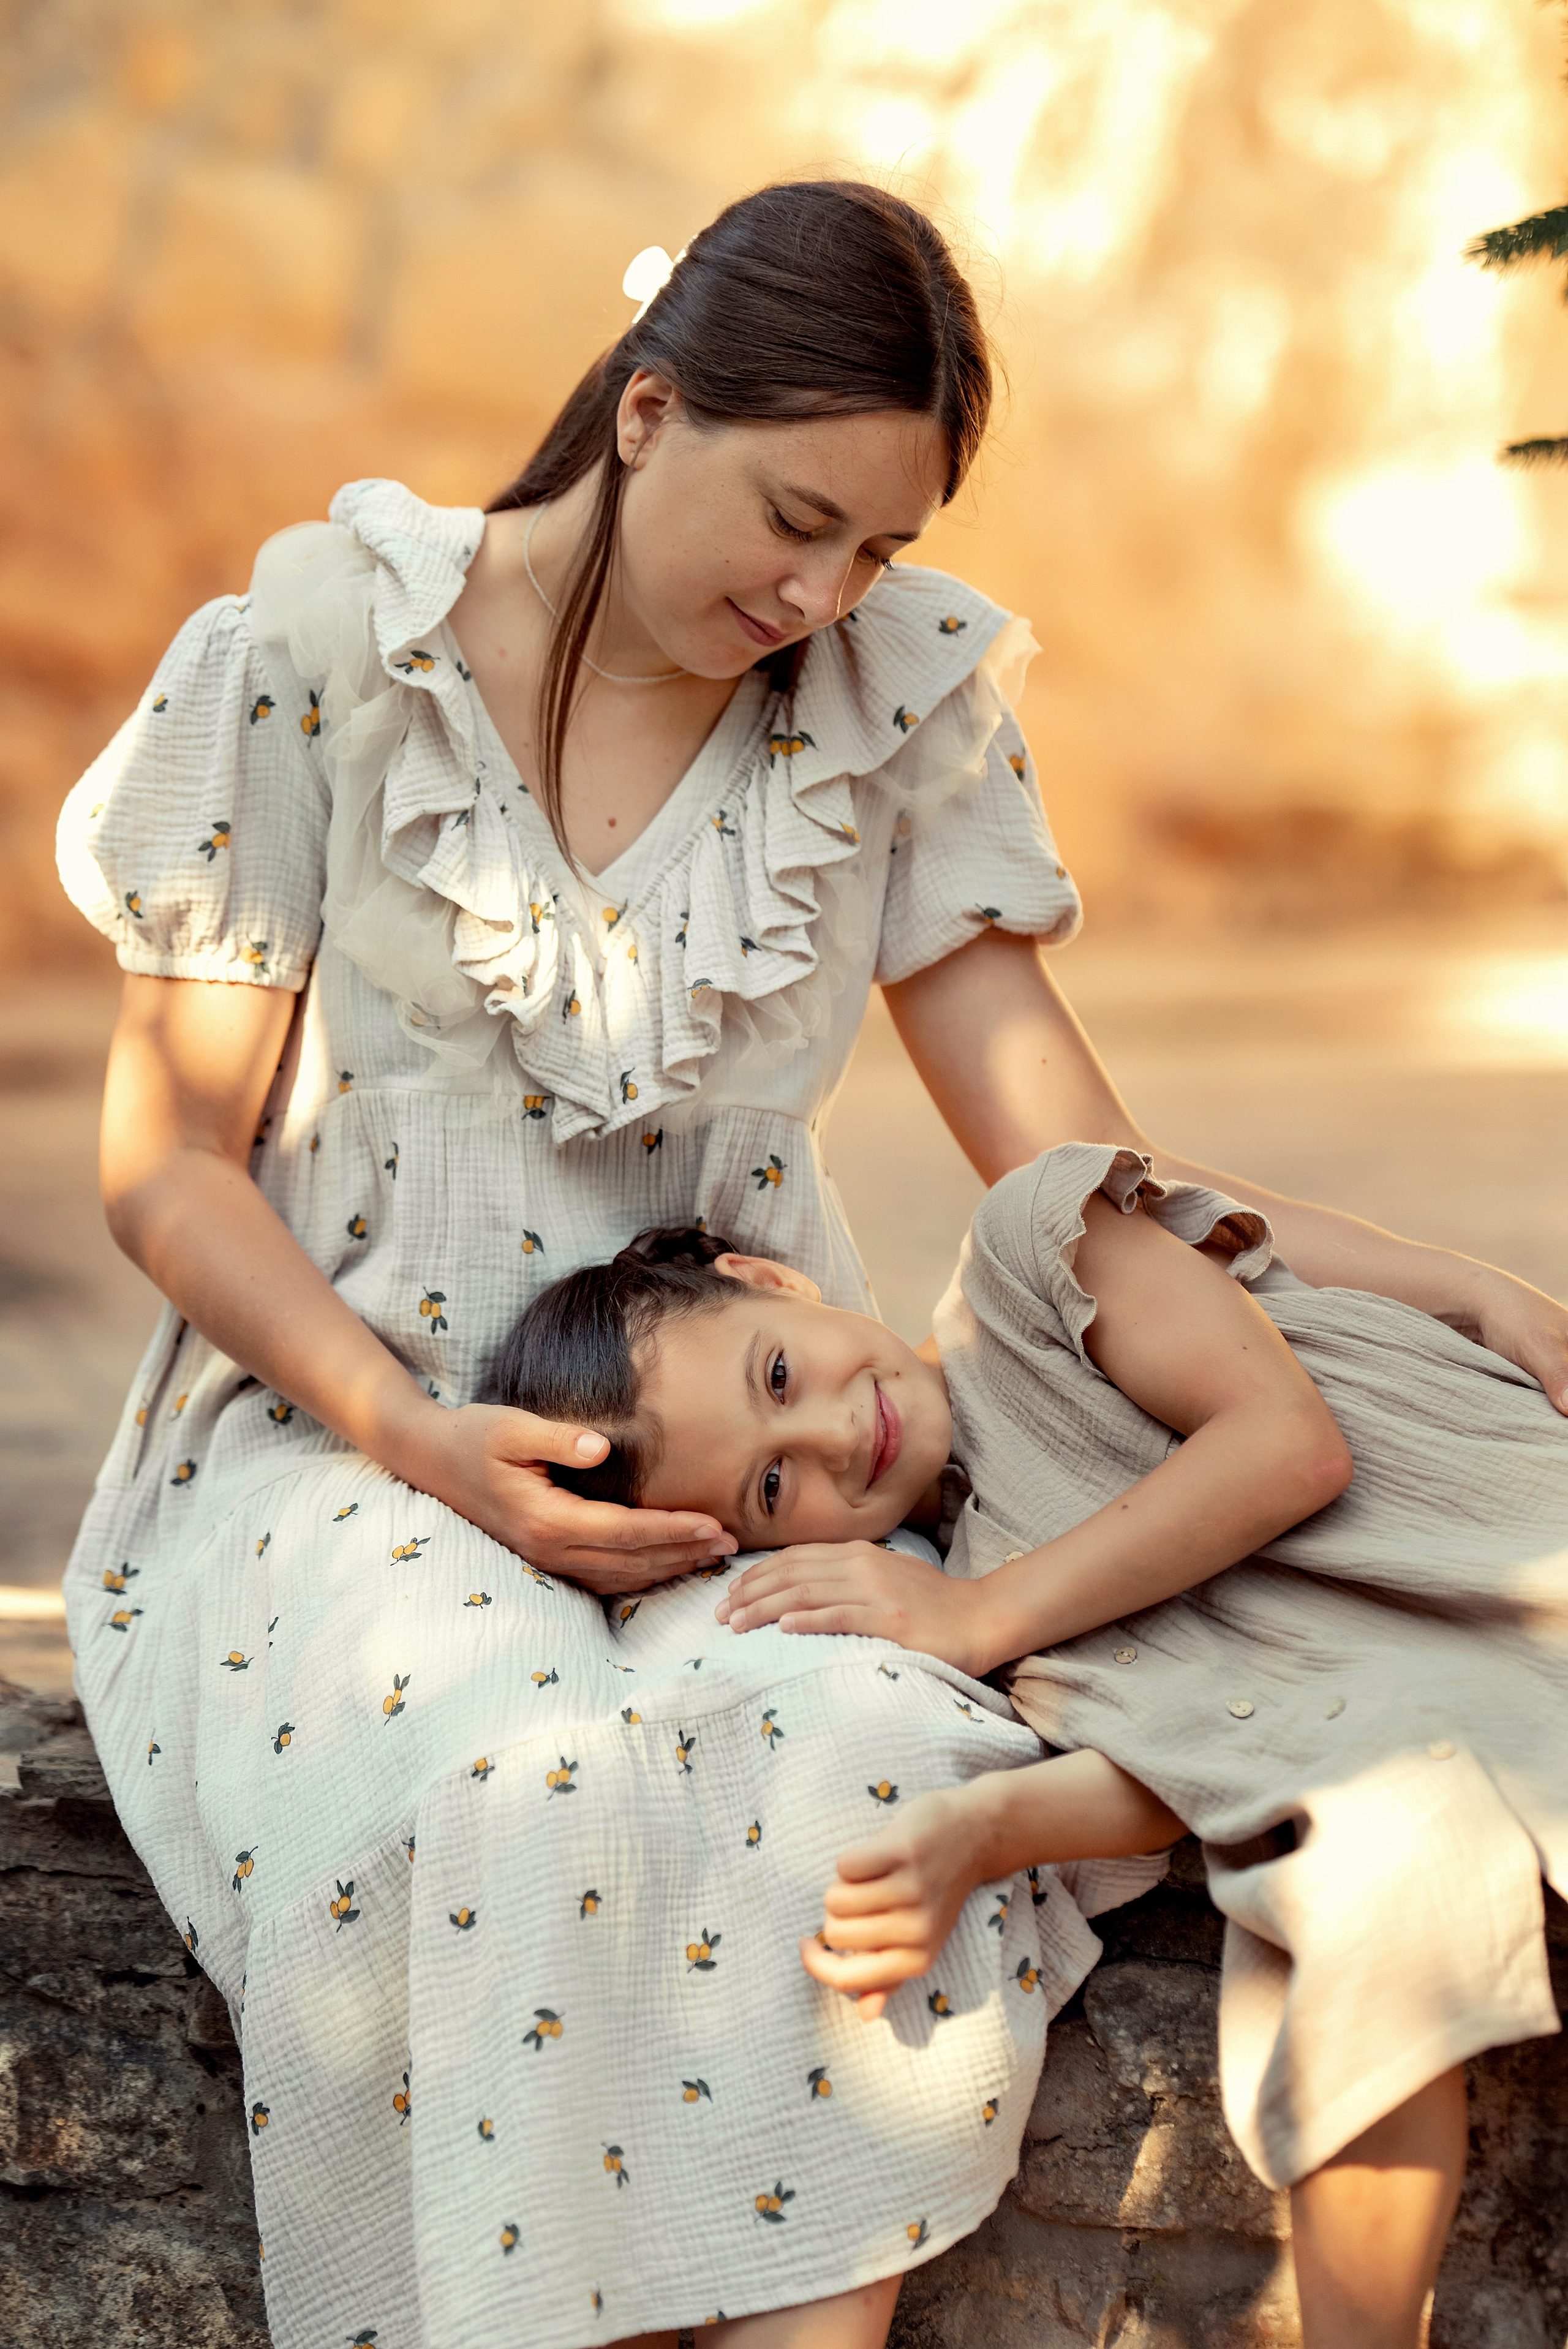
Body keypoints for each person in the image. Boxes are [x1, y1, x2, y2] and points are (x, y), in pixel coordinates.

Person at [51, 175, 1568, 2349]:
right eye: (797, 514)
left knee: (859, 1744)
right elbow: (168, 1162)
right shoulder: (319, 653)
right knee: (505, 1778)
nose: (826, 586)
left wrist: (1448, 1279)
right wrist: (416, 1431)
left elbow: (1079, 1164)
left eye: (884, 544)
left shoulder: (885, 706)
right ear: (647, 410)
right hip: (344, 1440)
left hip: (768, 1476)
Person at [503, 1156, 1568, 2349]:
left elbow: (1285, 1442)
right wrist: (976, 1828)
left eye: (779, 1372)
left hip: (1517, 1535)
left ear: (766, 1277)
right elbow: (1197, 1761)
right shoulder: (963, 1594)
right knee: (1353, 1890)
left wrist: (1471, 1289)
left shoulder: (1021, 1266)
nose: (835, 1431)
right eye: (770, 1481)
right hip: (1423, 1703)